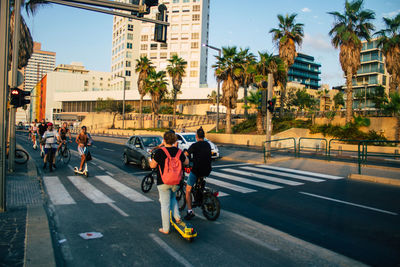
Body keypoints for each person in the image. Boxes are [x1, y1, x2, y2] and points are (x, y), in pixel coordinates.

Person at [149, 131, 189, 234]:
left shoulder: (160, 152)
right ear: (174, 140)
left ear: (164, 140)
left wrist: (151, 160)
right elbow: (187, 162)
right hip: (176, 181)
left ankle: (166, 229)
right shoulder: (179, 152)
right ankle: (177, 217)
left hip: (163, 182)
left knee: (165, 205)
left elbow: (152, 166)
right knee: (173, 198)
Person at [184, 127, 212, 220]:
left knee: (188, 190)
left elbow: (186, 155)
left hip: (197, 170)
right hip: (207, 170)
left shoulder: (194, 145)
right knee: (199, 184)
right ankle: (200, 196)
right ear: (203, 136)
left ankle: (189, 211)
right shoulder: (208, 145)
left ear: (196, 136)